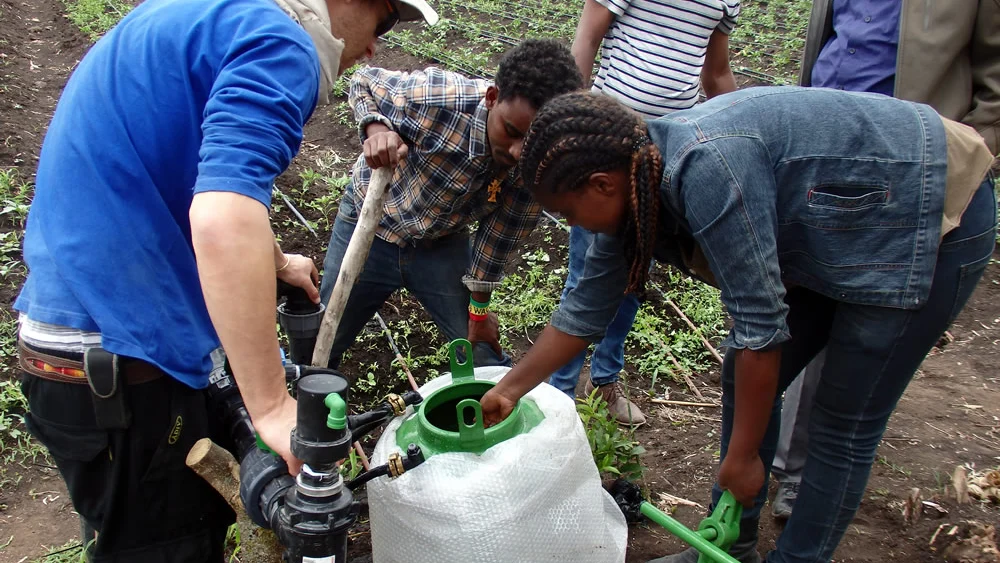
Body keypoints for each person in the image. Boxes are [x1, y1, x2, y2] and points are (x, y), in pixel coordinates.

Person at [480, 89, 996, 562]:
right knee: (742, 378)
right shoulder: (634, 183)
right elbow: (585, 309)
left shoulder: (706, 169)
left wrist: (745, 455)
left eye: (568, 212)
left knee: (842, 419)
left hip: (928, 205)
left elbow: (760, 328)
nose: (572, 225)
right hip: (843, 213)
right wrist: (510, 389)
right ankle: (731, 547)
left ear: (601, 183)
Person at [14, 0, 437, 558]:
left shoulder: (210, 15)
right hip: (121, 356)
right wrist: (270, 407)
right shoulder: (279, 41)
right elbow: (220, 215)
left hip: (82, 334)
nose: (374, 46)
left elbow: (198, 181)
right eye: (382, 20)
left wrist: (278, 264)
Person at [771, 0, 1000, 521]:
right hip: (821, 167)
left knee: (854, 341)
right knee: (791, 324)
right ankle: (777, 468)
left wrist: (962, 156)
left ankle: (804, 482)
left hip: (906, 178)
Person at [317, 39, 582, 370]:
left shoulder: (535, 167)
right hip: (372, 225)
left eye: (534, 142)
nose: (518, 152)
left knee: (480, 353)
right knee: (322, 342)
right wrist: (376, 129)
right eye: (511, 131)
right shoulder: (437, 98)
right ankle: (312, 416)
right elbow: (364, 81)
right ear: (492, 98)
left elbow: (496, 242)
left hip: (441, 244)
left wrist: (479, 312)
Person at [550, 0, 740, 426]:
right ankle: (558, 394)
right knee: (587, 274)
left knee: (634, 276)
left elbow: (716, 72)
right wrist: (571, 129)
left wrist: (738, 132)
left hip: (666, 159)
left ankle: (604, 379)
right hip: (605, 146)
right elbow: (587, 38)